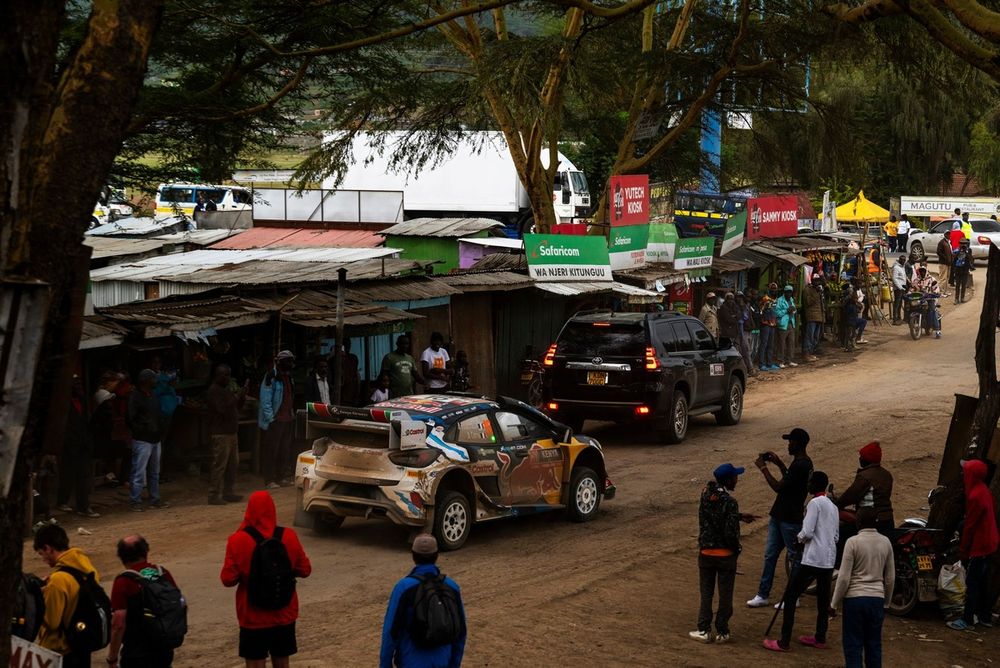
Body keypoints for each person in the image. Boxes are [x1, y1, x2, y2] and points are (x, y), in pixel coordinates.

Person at [222, 492, 312, 667]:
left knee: (255, 662)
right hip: (284, 613)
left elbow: (228, 579)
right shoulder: (289, 536)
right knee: (282, 661)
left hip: (252, 615)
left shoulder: (237, 540)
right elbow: (305, 570)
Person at [764, 471, 839, 653]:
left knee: (790, 597)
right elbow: (836, 536)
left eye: (810, 482)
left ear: (815, 485)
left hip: (812, 558)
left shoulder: (814, 503)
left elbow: (807, 532)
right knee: (822, 600)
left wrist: (798, 540)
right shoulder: (833, 506)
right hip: (828, 559)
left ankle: (784, 641)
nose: (807, 485)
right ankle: (820, 637)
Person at [747, 428, 814, 608]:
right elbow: (789, 481)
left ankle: (791, 596)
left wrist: (763, 468)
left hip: (789, 517)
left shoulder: (801, 465)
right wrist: (778, 463)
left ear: (798, 444)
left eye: (790, 441)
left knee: (793, 557)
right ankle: (763, 594)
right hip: (782, 515)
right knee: (771, 555)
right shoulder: (803, 464)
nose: (788, 445)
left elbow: (779, 487)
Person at [689, 463, 755, 644]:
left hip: (706, 553)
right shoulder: (730, 502)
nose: (737, 480)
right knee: (725, 595)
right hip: (725, 556)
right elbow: (730, 531)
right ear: (728, 480)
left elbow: (714, 513)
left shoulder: (705, 494)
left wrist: (738, 516)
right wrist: (737, 548)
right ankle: (722, 631)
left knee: (706, 593)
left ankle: (703, 629)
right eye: (735, 477)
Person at [380, 534, 466, 667]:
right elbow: (460, 632)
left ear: (413, 555)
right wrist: (454, 664)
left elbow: (390, 633)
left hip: (411, 662)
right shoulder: (451, 586)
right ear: (436, 555)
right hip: (443, 661)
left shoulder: (403, 587)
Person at [830, 507, 894, 668]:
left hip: (855, 599)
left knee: (853, 646)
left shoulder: (853, 542)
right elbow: (890, 577)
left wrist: (834, 603)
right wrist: (886, 602)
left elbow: (844, 578)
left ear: (858, 522)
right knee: (874, 646)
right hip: (876, 599)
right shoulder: (885, 542)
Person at [108, 535, 182, 668]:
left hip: (136, 652)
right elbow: (181, 604)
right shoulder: (161, 573)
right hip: (164, 647)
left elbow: (118, 623)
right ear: (146, 551)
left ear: (122, 557)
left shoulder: (124, 582)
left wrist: (112, 658)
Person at [34, 524, 102, 668]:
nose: (43, 559)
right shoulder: (86, 568)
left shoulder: (58, 580)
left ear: (48, 548)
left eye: (41, 553)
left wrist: (39, 597)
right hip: (82, 643)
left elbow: (52, 622)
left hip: (61, 651)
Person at [947, 459, 999, 631]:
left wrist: (964, 550)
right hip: (989, 542)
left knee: (972, 582)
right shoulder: (984, 491)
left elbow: (970, 525)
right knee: (982, 581)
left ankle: (967, 619)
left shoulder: (975, 495)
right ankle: (984, 616)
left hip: (980, 545)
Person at [56, 376, 99, 518]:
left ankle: (83, 506)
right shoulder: (63, 403)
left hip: (83, 444)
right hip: (69, 445)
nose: (79, 387)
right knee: (67, 475)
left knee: (83, 476)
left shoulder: (83, 401)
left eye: (80, 383)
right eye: (76, 384)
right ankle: (62, 501)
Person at [205, 364, 248, 505]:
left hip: (231, 432)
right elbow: (223, 408)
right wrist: (237, 396)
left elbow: (236, 407)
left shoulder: (226, 390)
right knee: (220, 464)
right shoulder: (213, 391)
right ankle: (213, 494)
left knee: (233, 464)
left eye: (228, 375)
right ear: (217, 375)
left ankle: (228, 492)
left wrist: (242, 395)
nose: (227, 378)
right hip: (220, 433)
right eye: (224, 375)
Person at [127, 368, 169, 512]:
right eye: (153, 379)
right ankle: (135, 501)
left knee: (154, 472)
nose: (155, 381)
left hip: (155, 438)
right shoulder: (136, 397)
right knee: (139, 472)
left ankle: (155, 499)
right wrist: (144, 429)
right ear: (146, 381)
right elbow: (131, 419)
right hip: (142, 440)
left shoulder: (152, 396)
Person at [835, 441, 895, 537]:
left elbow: (851, 495)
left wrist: (838, 503)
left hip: (870, 519)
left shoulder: (864, 476)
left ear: (867, 459)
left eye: (861, 456)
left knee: (842, 533)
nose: (860, 459)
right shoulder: (887, 474)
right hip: (887, 519)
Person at [259, 350, 296, 490]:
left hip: (287, 419)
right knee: (271, 451)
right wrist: (271, 419)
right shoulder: (271, 377)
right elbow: (265, 399)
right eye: (288, 361)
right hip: (275, 420)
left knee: (284, 450)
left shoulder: (288, 377)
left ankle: (281, 477)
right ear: (280, 362)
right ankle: (269, 480)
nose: (291, 364)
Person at [912, 266, 942, 337]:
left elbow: (936, 289)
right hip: (919, 299)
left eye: (923, 271)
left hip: (930, 299)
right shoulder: (917, 279)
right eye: (920, 271)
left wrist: (935, 293)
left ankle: (938, 331)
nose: (922, 273)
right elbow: (912, 288)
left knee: (932, 310)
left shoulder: (932, 279)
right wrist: (909, 292)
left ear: (926, 272)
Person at [773, 285, 798, 368]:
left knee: (791, 343)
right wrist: (786, 310)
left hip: (791, 323)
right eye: (788, 292)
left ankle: (789, 360)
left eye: (790, 292)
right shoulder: (779, 300)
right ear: (784, 292)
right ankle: (780, 361)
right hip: (783, 324)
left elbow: (794, 310)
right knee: (781, 344)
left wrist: (793, 310)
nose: (789, 293)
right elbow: (776, 313)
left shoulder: (791, 300)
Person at [802, 277, 825, 361]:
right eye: (816, 281)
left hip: (819, 317)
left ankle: (810, 353)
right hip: (811, 316)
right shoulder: (807, 290)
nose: (818, 282)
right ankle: (806, 353)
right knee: (809, 336)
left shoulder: (819, 290)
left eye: (819, 281)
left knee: (815, 337)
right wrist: (817, 293)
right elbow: (808, 302)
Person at [758, 286, 779, 372]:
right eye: (772, 289)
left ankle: (769, 363)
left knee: (770, 344)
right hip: (765, 323)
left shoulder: (775, 299)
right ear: (769, 290)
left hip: (772, 324)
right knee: (764, 344)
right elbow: (761, 309)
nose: (774, 290)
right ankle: (761, 364)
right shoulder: (765, 298)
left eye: (775, 289)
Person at [952, 239, 975, 305]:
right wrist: (959, 251)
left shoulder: (969, 250)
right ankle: (956, 299)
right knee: (957, 285)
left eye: (965, 243)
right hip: (958, 270)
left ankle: (962, 298)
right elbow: (954, 259)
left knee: (964, 285)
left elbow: (970, 259)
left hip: (965, 270)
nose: (963, 245)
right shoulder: (956, 250)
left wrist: (966, 252)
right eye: (962, 243)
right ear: (959, 244)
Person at [340, 338, 361, 406]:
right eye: (345, 345)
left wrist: (357, 394)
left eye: (348, 345)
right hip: (342, 395)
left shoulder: (353, 358)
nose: (347, 347)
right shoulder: (336, 359)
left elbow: (356, 376)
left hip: (351, 394)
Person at [890, 255, 908, 325]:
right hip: (898, 288)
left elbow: (903, 277)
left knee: (900, 304)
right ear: (899, 260)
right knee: (896, 304)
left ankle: (898, 318)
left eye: (904, 260)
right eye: (902, 260)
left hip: (902, 287)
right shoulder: (896, 267)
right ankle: (895, 319)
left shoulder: (902, 267)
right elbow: (894, 279)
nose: (904, 261)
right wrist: (900, 287)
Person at [936, 230, 953, 297]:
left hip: (948, 263)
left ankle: (945, 291)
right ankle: (941, 292)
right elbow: (938, 252)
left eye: (949, 234)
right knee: (943, 278)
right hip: (943, 263)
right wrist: (945, 258)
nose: (949, 235)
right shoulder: (942, 242)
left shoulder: (948, 242)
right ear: (945, 235)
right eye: (947, 234)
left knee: (947, 277)